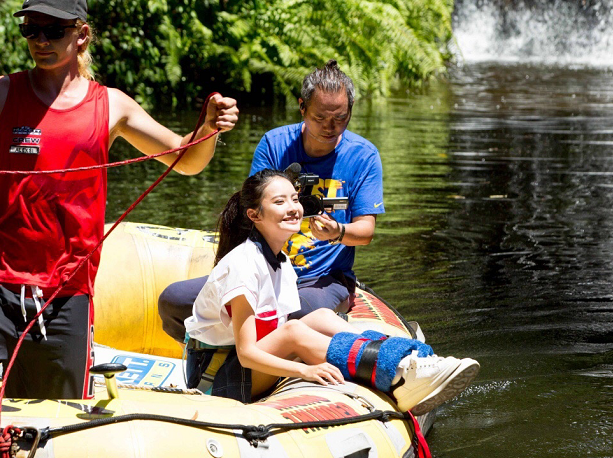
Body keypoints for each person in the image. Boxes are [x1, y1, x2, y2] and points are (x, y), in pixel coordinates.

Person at [0, 0, 239, 400]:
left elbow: (186, 160)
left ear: (82, 35)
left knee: (55, 412)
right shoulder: (0, 93)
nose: (41, 40)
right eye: (31, 29)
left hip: (66, 291)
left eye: (54, 30)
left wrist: (208, 129)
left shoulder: (111, 105)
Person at [184, 169, 479, 412]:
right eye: (279, 202)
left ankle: (405, 356)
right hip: (215, 380)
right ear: (254, 215)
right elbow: (248, 353)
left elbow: (274, 331)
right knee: (294, 332)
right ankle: (397, 373)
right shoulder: (243, 265)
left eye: (295, 199)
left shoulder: (281, 261)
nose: (293, 208)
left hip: (243, 367)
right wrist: (305, 371)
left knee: (321, 315)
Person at [159, 60, 380, 342]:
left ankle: (271, 362)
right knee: (174, 301)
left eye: (340, 118)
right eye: (320, 118)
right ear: (302, 108)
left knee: (297, 314)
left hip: (322, 278)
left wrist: (339, 233)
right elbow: (249, 208)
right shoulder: (275, 144)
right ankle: (216, 355)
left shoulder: (364, 156)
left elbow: (366, 232)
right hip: (264, 270)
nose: (330, 127)